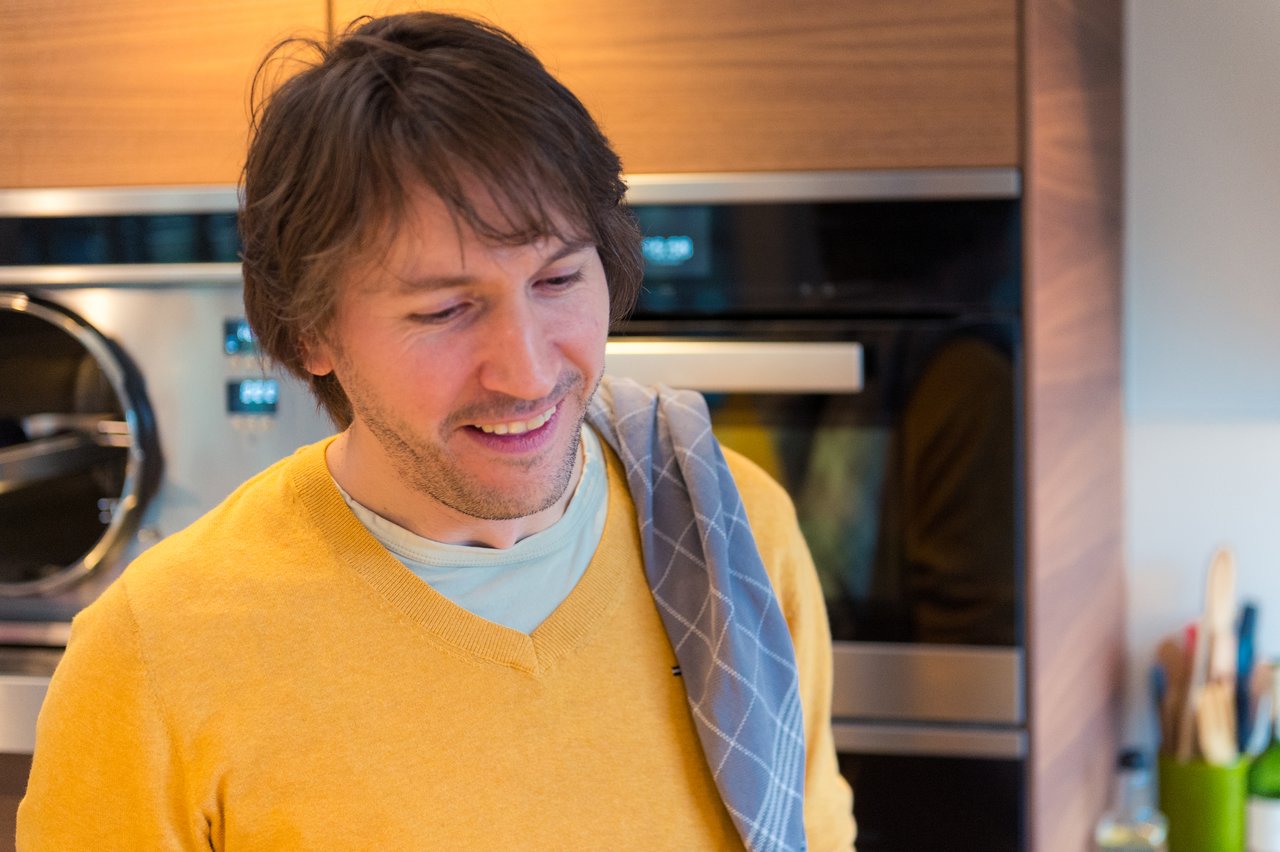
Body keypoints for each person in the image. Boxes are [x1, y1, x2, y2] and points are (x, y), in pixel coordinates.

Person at [17, 12, 854, 851]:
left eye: (559, 277)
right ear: (312, 332)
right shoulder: (155, 652)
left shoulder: (731, 532)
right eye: (446, 310)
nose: (527, 373)